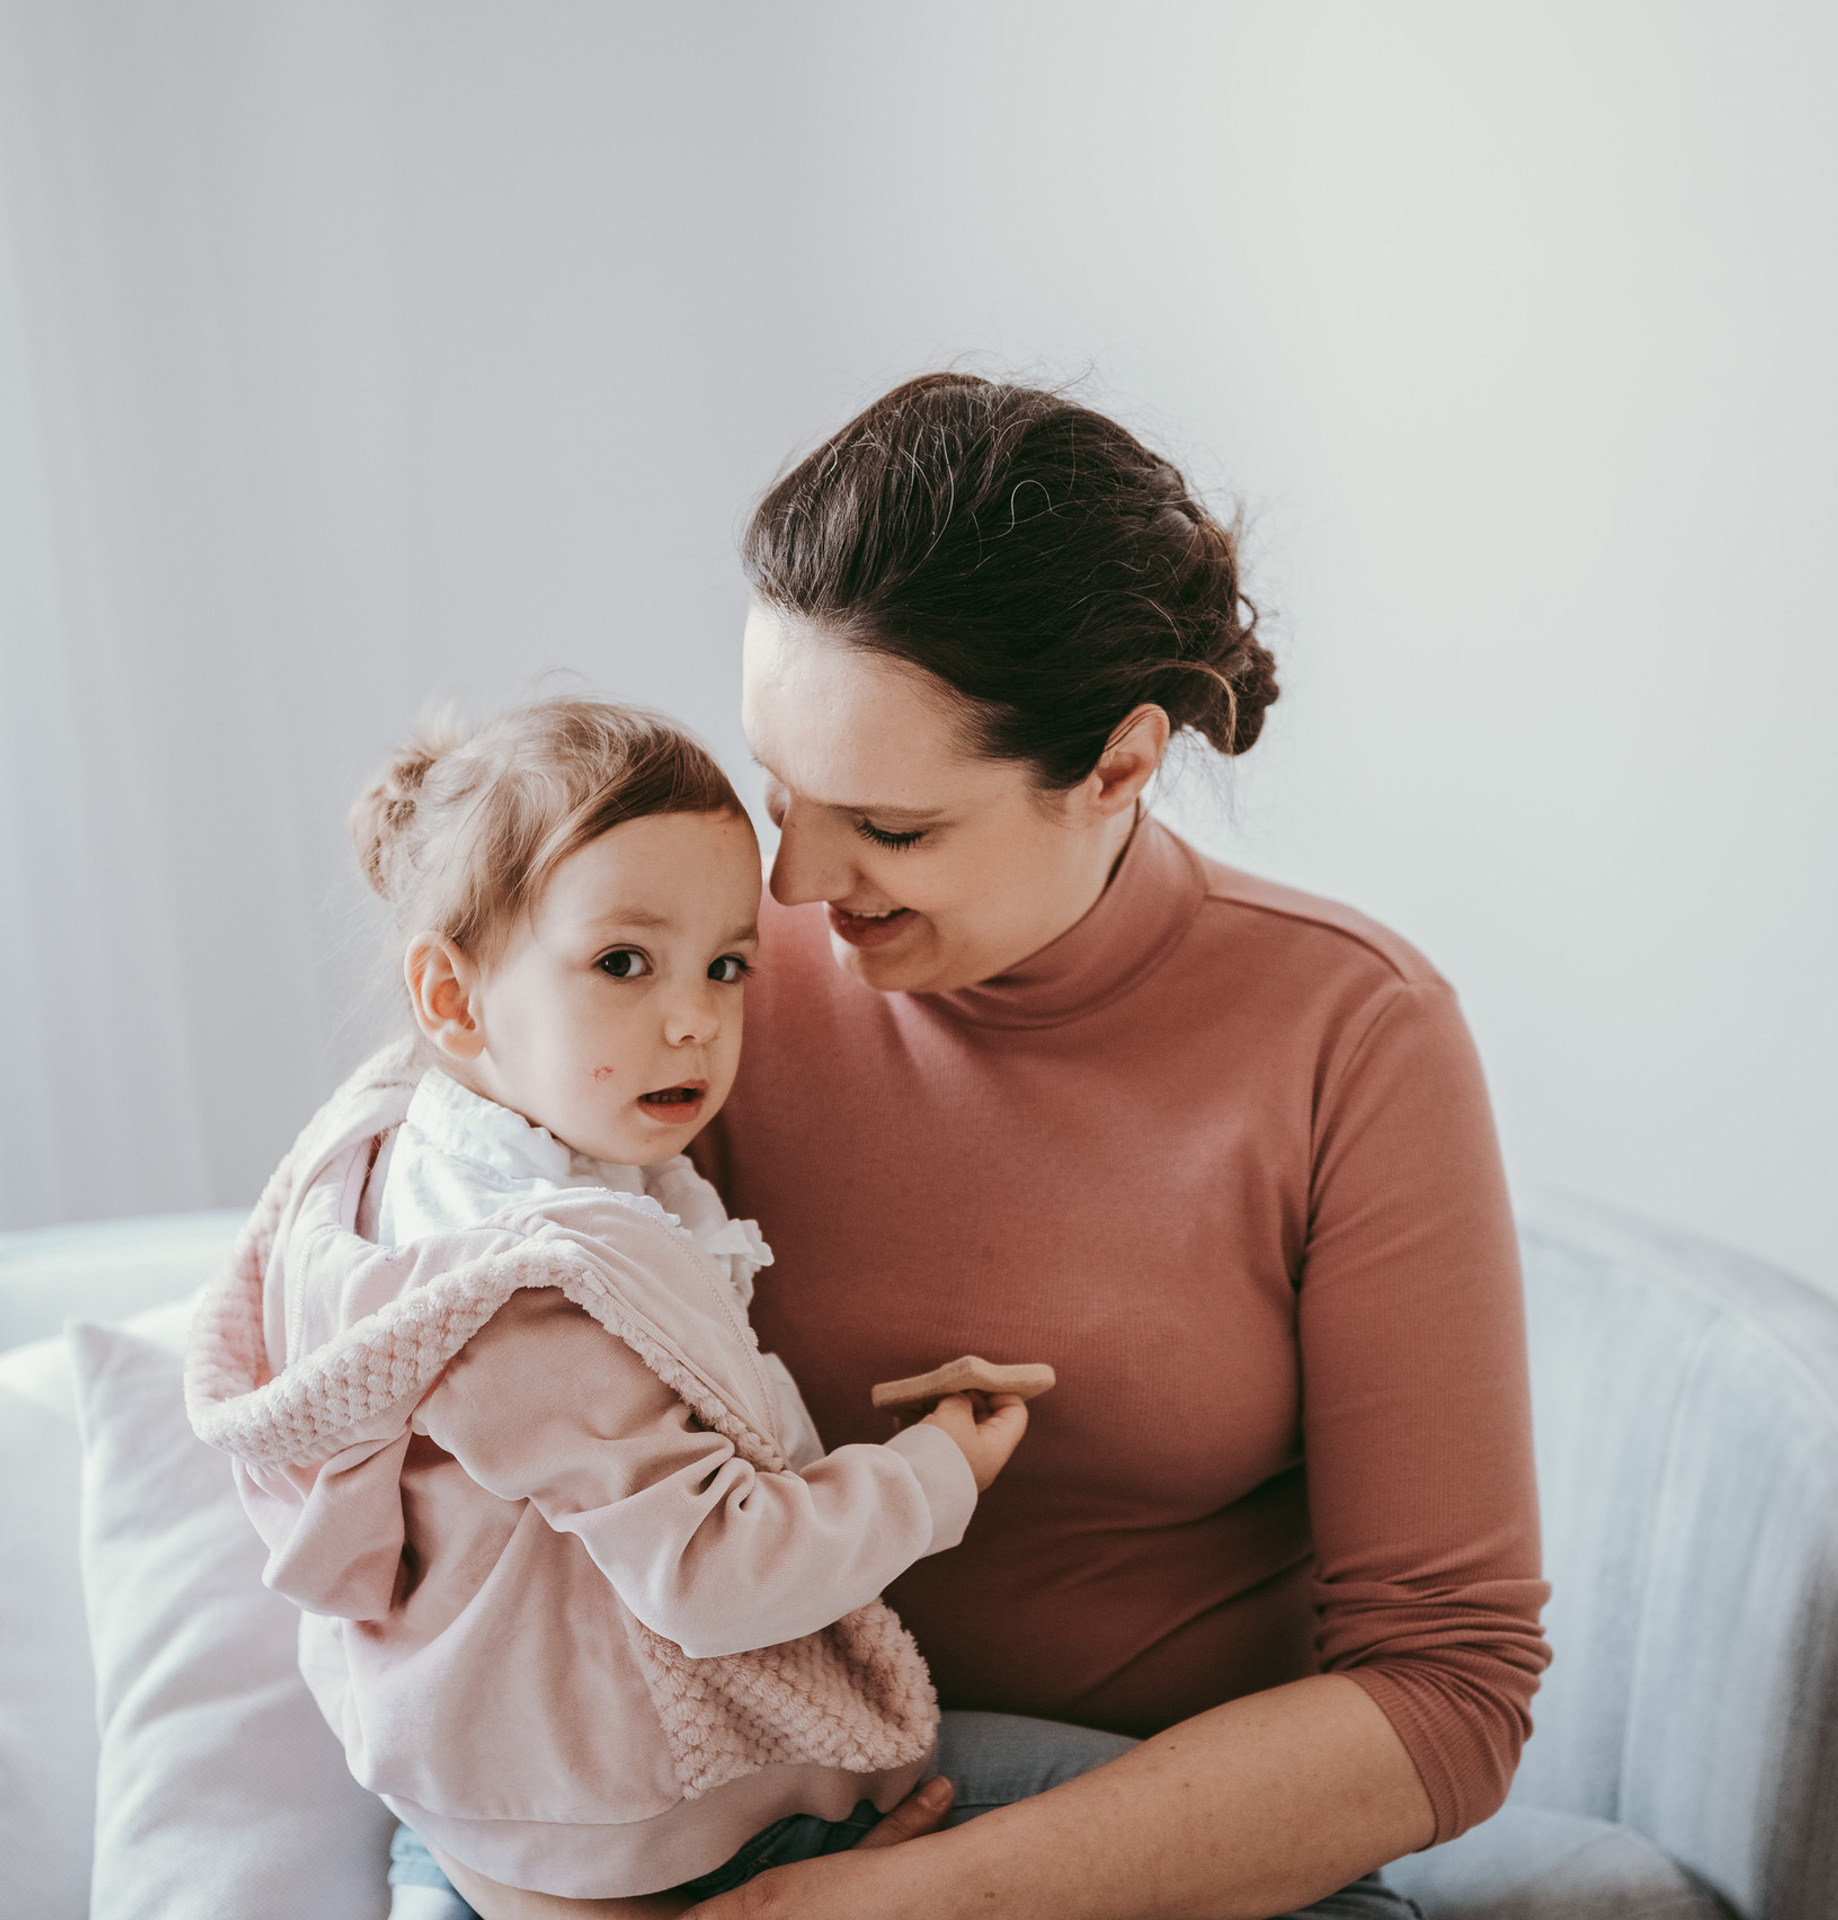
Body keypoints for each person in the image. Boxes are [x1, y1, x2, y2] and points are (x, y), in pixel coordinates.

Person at [674, 372, 1552, 1918]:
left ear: (1121, 767)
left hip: (1143, 1851)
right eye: (776, 795)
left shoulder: (1354, 1037)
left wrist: (914, 1906)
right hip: (729, 1810)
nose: (796, 883)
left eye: (891, 830)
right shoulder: (690, 984)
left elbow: (1449, 1694)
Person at [185, 697, 1035, 1918]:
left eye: (727, 965)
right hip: (649, 1833)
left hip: (494, 1801)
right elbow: (714, 1571)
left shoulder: (390, 1148)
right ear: (454, 999)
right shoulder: (526, 1301)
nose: (694, 1018)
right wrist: (937, 1470)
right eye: (624, 963)